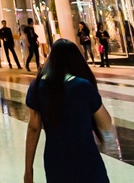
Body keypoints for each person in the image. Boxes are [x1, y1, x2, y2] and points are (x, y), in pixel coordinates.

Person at [22, 39, 113, 183]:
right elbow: (106, 124)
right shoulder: (83, 86)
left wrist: (28, 171)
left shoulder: (37, 86)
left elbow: (33, 128)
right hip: (88, 163)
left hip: (56, 163)